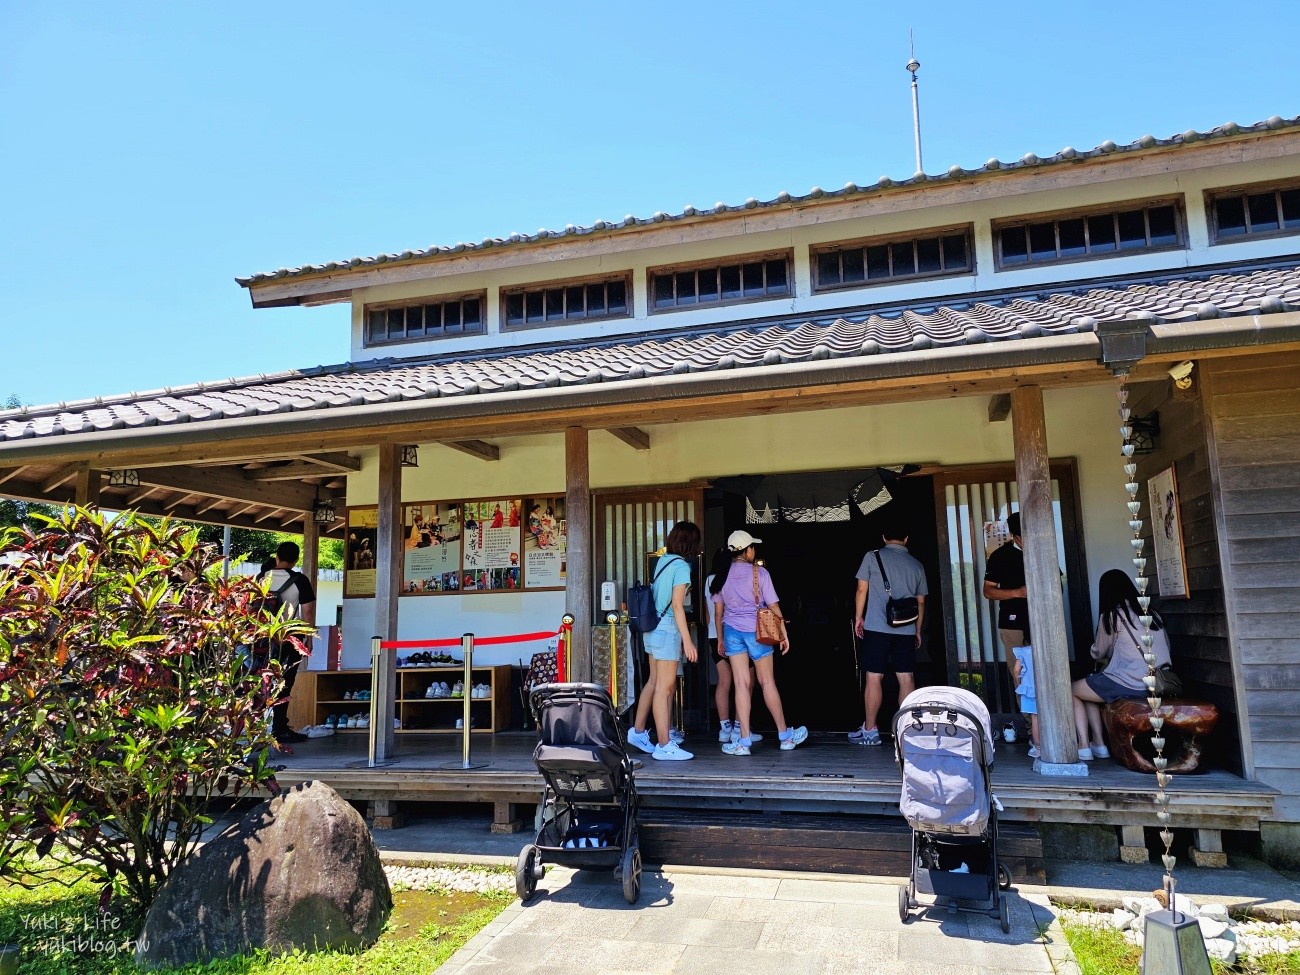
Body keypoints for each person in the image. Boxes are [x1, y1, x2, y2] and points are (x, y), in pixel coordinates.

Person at [712, 530, 806, 755]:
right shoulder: (760, 573)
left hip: (732, 631)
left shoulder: (721, 575)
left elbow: (718, 612)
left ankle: (743, 742)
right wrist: (783, 632)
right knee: (767, 682)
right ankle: (785, 736)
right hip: (758, 631)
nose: (754, 550)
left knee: (741, 684)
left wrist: (720, 639)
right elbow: (773, 606)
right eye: (752, 547)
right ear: (747, 550)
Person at [1071, 569, 1171, 760]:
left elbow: (1099, 651)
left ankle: (1085, 745)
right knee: (1091, 689)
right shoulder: (1153, 614)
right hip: (1159, 683)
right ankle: (1098, 744)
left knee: (1071, 690)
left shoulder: (1112, 616)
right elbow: (1165, 647)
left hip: (1129, 681)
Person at [627, 521, 701, 761]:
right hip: (667, 628)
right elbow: (678, 606)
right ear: (690, 542)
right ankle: (663, 744)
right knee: (665, 687)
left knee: (654, 682)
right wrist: (688, 642)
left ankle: (638, 732)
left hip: (652, 628)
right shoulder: (681, 566)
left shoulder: (663, 561)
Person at [850, 521, 928, 745]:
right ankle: (907, 731)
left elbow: (861, 588)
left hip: (876, 627)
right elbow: (921, 602)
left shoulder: (872, 557)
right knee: (907, 677)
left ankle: (870, 730)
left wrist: (859, 617)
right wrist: (917, 629)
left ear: (884, 537)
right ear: (906, 539)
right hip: (905, 629)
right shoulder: (916, 564)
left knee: (874, 677)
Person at [260, 541, 317, 745]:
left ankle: (257, 729)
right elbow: (308, 612)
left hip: (263, 639)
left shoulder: (262, 577)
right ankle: (279, 728)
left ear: (277, 556)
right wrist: (308, 637)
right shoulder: (300, 580)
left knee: (262, 682)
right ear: (295, 559)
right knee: (285, 683)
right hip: (289, 637)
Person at [706, 548, 762, 747]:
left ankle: (724, 729)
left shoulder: (710, 580)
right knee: (745, 681)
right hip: (733, 633)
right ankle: (740, 728)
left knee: (725, 681)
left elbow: (709, 613)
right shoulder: (729, 576)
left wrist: (716, 634)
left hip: (714, 635)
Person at [983, 511, 1028, 659]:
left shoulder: (1043, 551)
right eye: (1021, 536)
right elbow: (988, 591)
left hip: (1043, 620)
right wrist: (1017, 593)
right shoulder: (1000, 556)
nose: (1025, 539)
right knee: (1020, 671)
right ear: (1013, 535)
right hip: (1012, 623)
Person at [1010, 643, 1040, 759]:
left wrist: (1019, 683)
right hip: (1048, 689)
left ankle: (1038, 747)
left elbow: (1017, 669)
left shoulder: (1024, 651)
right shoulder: (1050, 647)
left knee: (1035, 717)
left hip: (1030, 688)